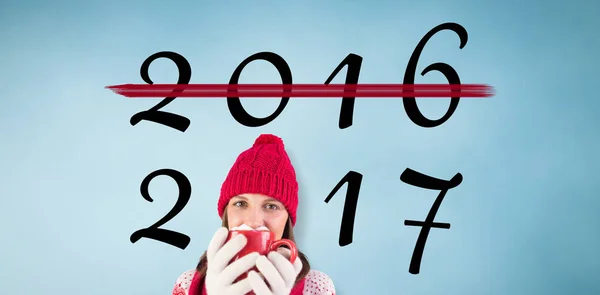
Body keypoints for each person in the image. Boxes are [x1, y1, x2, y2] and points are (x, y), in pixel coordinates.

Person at [172, 134, 336, 295]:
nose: (253, 221)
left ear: (288, 219)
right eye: (240, 204)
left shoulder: (316, 288)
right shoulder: (187, 285)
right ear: (226, 213)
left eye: (271, 206)